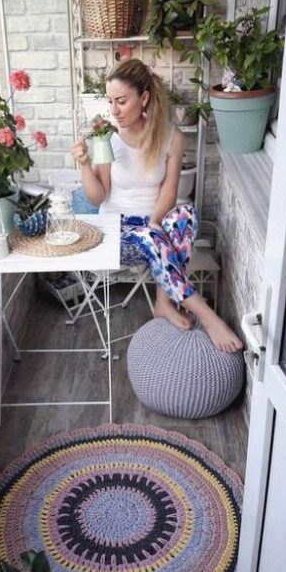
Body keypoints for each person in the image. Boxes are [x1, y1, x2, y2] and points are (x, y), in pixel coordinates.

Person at [71, 59, 242, 353]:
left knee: (186, 216)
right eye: (111, 101)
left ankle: (164, 300)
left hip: (153, 224)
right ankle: (207, 316)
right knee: (154, 237)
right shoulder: (108, 139)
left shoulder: (172, 138)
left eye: (121, 101)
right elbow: (98, 197)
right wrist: (85, 165)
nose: (114, 110)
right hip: (117, 232)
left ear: (144, 98)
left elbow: (170, 191)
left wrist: (154, 223)